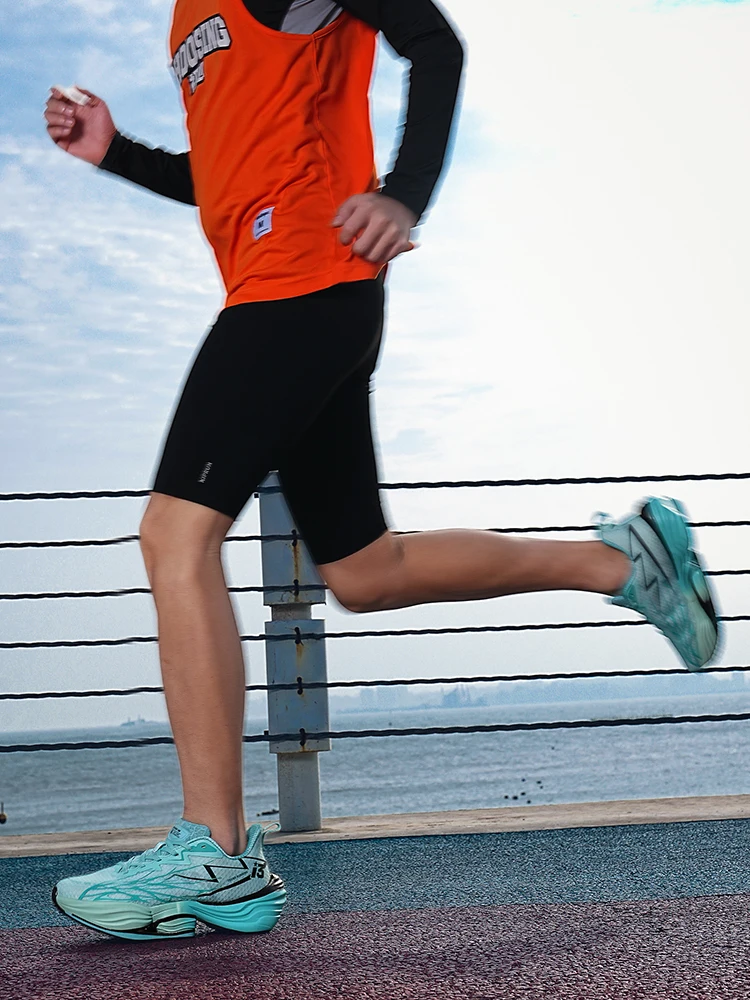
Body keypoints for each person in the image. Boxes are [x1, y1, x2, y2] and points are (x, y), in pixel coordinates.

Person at [44, 0, 719, 942]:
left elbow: (432, 40)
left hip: (302, 285)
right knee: (364, 571)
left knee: (174, 533)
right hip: (301, 292)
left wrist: (404, 192)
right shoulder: (191, 19)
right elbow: (227, 171)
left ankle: (217, 854)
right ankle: (623, 559)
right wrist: (115, 152)